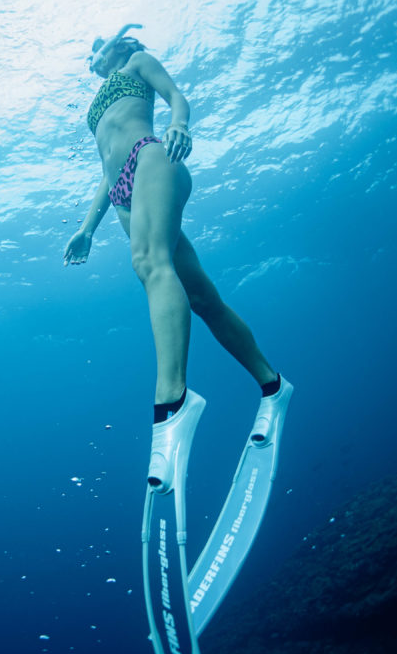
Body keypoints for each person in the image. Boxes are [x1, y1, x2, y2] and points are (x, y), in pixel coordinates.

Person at [63, 25, 292, 493]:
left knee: (150, 266)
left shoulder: (136, 64)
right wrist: (88, 228)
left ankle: (174, 398)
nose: (90, 58)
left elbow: (176, 97)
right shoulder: (98, 102)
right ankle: (272, 385)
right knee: (202, 298)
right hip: (124, 190)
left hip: (153, 159)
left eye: (95, 48)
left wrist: (179, 126)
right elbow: (106, 171)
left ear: (118, 45)